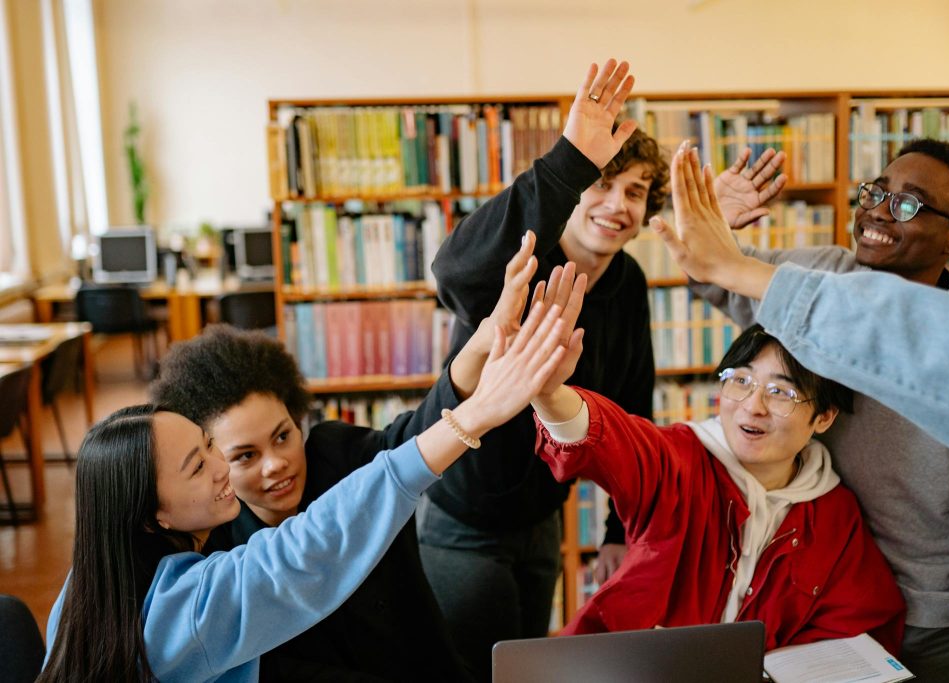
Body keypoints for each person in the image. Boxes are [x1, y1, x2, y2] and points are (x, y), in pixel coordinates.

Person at [424, 58, 786, 680]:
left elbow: (630, 408)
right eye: (601, 184)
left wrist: (621, 528)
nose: (617, 205)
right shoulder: (520, 256)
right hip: (463, 516)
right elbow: (453, 274)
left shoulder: (629, 282)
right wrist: (569, 160)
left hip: (541, 517)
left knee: (522, 666)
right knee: (471, 671)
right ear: (574, 189)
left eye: (635, 192)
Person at [38, 294, 573, 683]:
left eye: (207, 446)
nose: (225, 469)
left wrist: (471, 364)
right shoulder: (199, 596)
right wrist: (475, 416)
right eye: (209, 463)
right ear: (154, 516)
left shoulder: (92, 589)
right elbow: (306, 550)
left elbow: (401, 443)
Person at [653, 142, 949, 683]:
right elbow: (724, 280)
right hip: (814, 582)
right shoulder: (822, 270)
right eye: (877, 192)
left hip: (924, 605)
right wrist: (719, 232)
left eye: (907, 205)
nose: (876, 210)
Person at [146, 233, 561, 681]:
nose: (276, 463)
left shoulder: (333, 452)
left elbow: (416, 435)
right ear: (212, 461)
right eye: (245, 456)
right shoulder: (218, 550)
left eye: (283, 436)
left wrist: (481, 344)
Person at [529, 319, 905, 652]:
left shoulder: (833, 512)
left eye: (780, 392)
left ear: (823, 417)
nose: (752, 406)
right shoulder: (680, 458)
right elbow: (613, 438)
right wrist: (551, 395)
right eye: (740, 381)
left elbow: (858, 625)